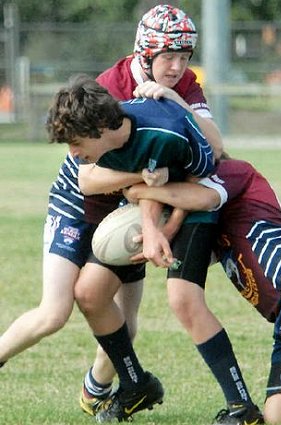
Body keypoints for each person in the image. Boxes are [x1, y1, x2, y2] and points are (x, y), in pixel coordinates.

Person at [0, 4, 221, 419]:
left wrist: (176, 102)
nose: (176, 67)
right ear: (144, 53)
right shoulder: (111, 85)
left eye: (183, 57)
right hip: (78, 202)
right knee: (53, 312)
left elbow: (215, 146)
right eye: (167, 57)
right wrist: (143, 176)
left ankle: (99, 386)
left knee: (125, 319)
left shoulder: (185, 85)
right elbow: (88, 178)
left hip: (126, 209)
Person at [47, 74, 263, 425]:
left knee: (182, 297)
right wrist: (150, 230)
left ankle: (242, 406)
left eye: (75, 143)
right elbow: (142, 180)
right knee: (89, 292)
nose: (73, 154)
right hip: (150, 204)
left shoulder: (169, 129)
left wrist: (170, 227)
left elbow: (201, 177)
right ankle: (135, 384)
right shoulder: (108, 143)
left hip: (194, 203)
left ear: (101, 126)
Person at [123, 157, 281, 425]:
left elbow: (203, 198)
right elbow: (188, 265)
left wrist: (140, 191)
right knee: (279, 415)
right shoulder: (217, 227)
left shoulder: (235, 171)